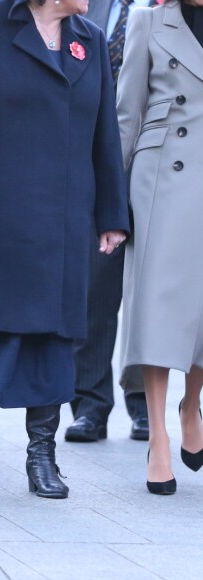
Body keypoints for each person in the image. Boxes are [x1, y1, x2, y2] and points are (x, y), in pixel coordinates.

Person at [0, 0, 129, 498]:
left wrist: (111, 213)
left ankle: (42, 454)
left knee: (54, 336)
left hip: (62, 221)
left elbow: (105, 132)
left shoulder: (91, 40)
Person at [116, 0, 203, 495]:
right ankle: (159, 435)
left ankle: (191, 405)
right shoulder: (147, 20)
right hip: (162, 179)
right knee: (156, 306)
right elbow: (127, 112)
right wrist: (112, 201)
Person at [65, 0, 151, 444]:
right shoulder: (84, 9)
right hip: (97, 164)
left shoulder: (166, 9)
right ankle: (90, 405)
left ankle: (143, 405)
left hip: (160, 168)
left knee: (148, 296)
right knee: (96, 290)